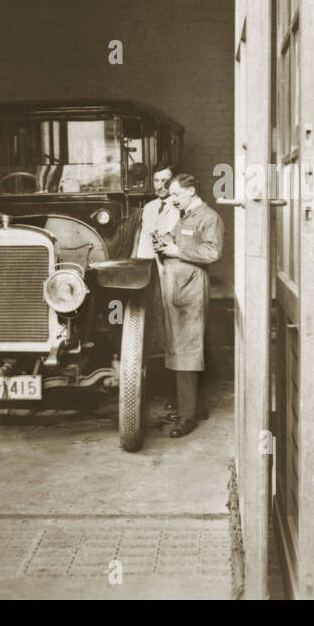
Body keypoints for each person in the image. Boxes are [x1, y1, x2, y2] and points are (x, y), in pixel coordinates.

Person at [155, 173, 224, 437]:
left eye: (175, 194)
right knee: (179, 347)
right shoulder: (186, 216)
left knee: (187, 349)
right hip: (177, 287)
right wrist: (165, 243)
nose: (172, 199)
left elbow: (212, 253)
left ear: (192, 191)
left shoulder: (209, 218)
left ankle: (187, 417)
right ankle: (192, 406)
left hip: (189, 289)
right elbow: (179, 242)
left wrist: (177, 251)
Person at [134, 163, 180, 409]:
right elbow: (144, 243)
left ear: (173, 182)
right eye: (157, 181)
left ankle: (176, 395)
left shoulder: (181, 206)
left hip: (172, 274)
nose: (160, 186)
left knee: (175, 331)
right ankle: (155, 389)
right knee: (154, 330)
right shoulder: (150, 208)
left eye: (165, 181)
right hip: (152, 275)